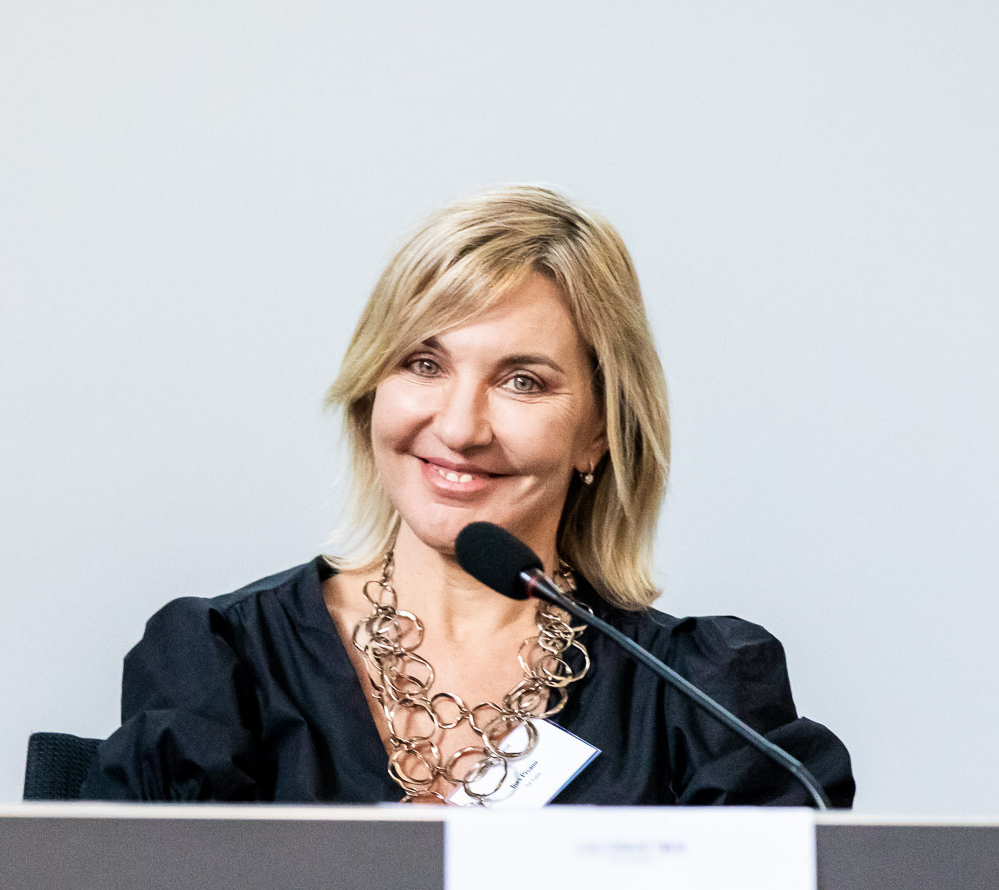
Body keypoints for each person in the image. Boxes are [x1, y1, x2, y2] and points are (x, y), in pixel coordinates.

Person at [81, 185, 854, 807]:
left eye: (523, 381)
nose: (458, 426)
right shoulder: (223, 665)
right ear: (371, 391)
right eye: (424, 365)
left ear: (598, 433)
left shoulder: (696, 698)